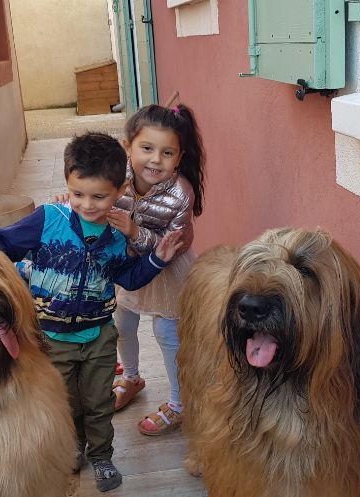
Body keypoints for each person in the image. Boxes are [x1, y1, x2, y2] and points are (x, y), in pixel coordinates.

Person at [0, 132, 183, 493]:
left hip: (98, 338)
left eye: (99, 196)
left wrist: (157, 259)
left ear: (120, 190)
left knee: (98, 402)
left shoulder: (116, 234)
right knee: (65, 401)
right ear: (67, 185)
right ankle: (73, 447)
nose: (88, 205)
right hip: (51, 337)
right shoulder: (48, 218)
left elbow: (127, 277)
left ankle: (102, 456)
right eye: (78, 194)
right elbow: (0, 242)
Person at [107, 103, 206, 436]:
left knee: (166, 335)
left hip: (167, 269)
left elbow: (171, 244)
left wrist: (134, 231)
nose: (155, 160)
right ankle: (131, 377)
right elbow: (92, 200)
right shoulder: (115, 178)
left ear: (178, 158)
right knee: (123, 323)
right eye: (146, 148)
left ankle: (179, 403)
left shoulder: (180, 194)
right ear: (128, 147)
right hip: (128, 266)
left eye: (167, 153)